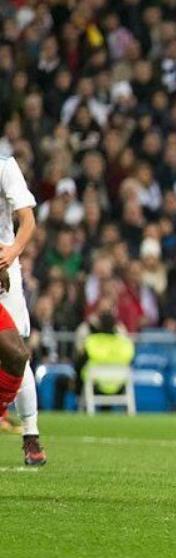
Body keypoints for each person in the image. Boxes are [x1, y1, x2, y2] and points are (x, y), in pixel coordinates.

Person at [0, 155, 43, 465]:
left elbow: (27, 219)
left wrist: (12, 253)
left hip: (4, 263)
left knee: (16, 352)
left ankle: (31, 433)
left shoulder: (4, 165)